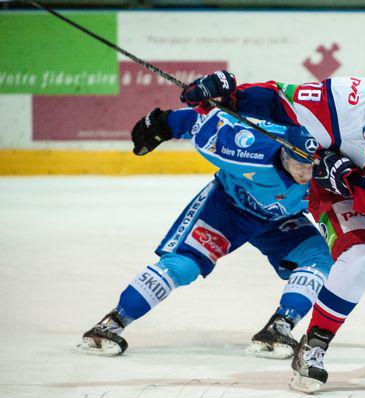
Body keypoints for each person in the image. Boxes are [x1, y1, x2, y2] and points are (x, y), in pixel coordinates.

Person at [179, 49, 365, 393]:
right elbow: (279, 101)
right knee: (360, 259)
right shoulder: (345, 97)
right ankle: (312, 347)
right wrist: (233, 97)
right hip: (336, 195)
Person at [77, 92, 333, 359]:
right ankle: (111, 324)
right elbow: (205, 122)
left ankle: (279, 327)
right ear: (284, 150)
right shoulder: (248, 148)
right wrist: (164, 123)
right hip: (227, 208)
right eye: (299, 163)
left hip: (281, 219)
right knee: (183, 266)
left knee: (320, 259)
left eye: (312, 166)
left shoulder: (327, 172)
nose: (306, 174)